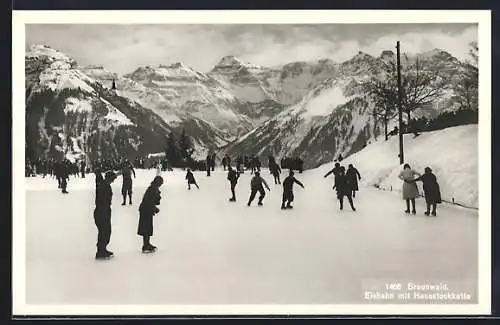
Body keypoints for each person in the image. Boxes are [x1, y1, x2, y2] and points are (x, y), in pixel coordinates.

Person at [93, 170, 118, 260]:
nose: (113, 181)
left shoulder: (104, 184)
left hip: (104, 211)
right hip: (102, 211)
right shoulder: (103, 186)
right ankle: (100, 251)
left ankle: (103, 249)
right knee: (104, 231)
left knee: (106, 231)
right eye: (112, 179)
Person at [138, 176, 163, 253]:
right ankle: (145, 245)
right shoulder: (152, 189)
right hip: (145, 210)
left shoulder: (153, 188)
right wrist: (155, 208)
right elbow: (148, 201)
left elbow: (154, 201)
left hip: (146, 210)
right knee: (146, 228)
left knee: (148, 228)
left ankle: (147, 244)